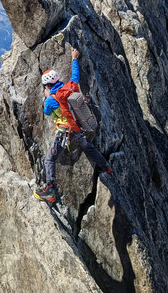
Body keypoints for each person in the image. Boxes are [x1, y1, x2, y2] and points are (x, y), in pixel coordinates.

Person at [34, 48, 111, 204]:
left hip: (64, 133)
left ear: (47, 86)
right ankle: (105, 166)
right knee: (87, 146)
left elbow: (47, 113)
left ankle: (50, 190)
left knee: (49, 160)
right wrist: (74, 58)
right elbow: (76, 76)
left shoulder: (50, 99)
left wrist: (47, 98)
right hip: (77, 128)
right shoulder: (70, 86)